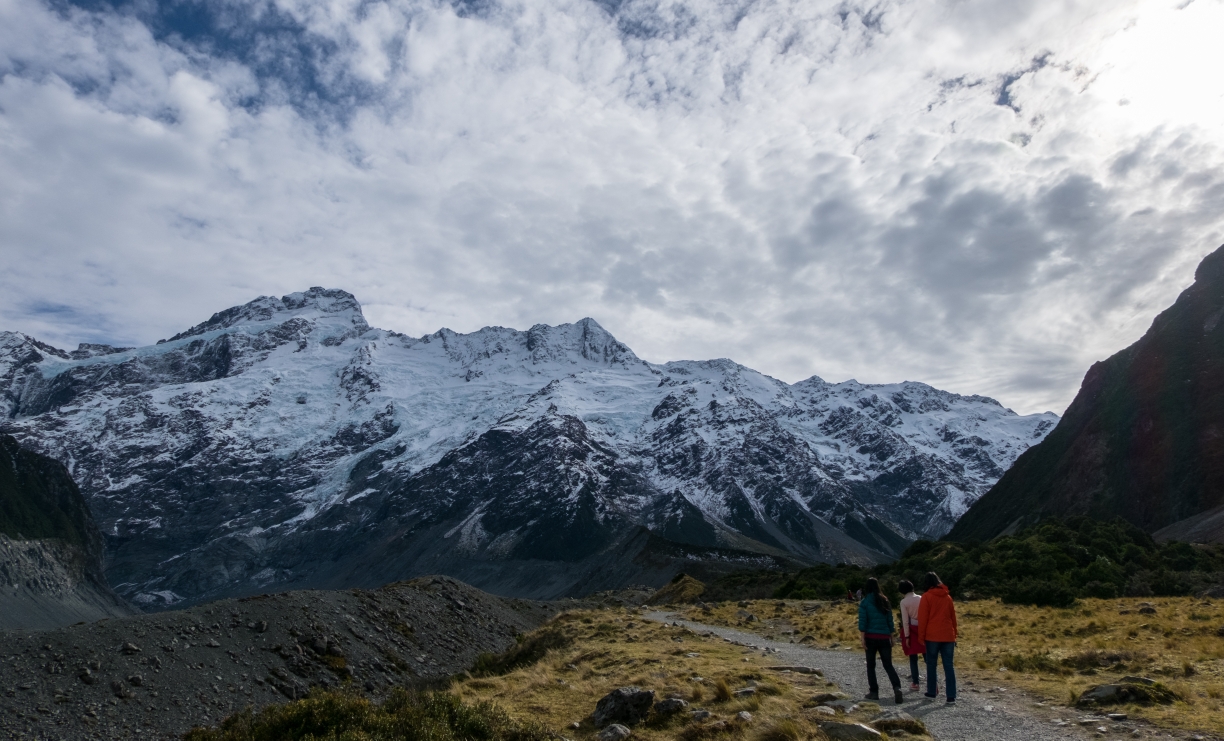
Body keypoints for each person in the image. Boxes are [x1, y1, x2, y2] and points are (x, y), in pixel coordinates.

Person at [857, 577, 904, 705]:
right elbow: (890, 619)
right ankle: (897, 687)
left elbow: (863, 622)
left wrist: (862, 638)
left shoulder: (865, 602)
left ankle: (874, 692)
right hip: (884, 637)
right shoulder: (884, 600)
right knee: (888, 664)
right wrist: (892, 636)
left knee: (871, 665)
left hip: (871, 637)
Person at [917, 571, 957, 703]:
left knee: (931, 664)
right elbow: (953, 618)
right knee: (948, 666)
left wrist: (921, 637)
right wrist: (954, 634)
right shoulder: (948, 597)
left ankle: (932, 692)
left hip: (932, 636)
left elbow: (923, 619)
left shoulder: (926, 597)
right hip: (948, 636)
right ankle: (951, 696)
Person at [898, 579, 923, 691]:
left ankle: (915, 682)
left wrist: (907, 636)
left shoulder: (904, 602)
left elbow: (905, 621)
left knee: (913, 658)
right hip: (923, 629)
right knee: (928, 657)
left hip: (912, 630)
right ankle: (933, 682)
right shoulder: (921, 598)